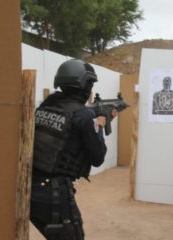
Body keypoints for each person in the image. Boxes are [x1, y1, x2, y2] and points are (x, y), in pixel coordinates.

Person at [30, 59, 113, 240]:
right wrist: (98, 126)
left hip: (32, 188)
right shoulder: (84, 115)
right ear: (83, 84)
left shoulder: (45, 106)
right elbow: (98, 157)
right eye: (89, 84)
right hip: (54, 193)